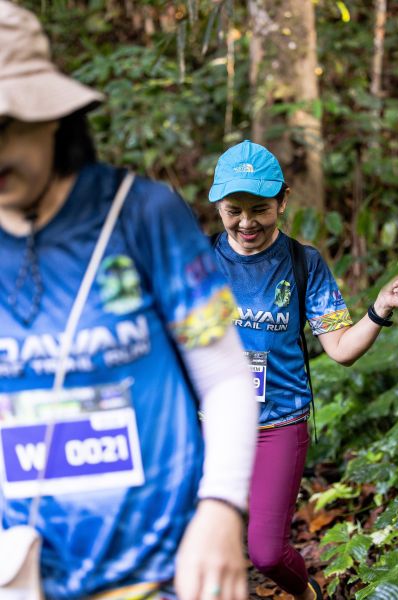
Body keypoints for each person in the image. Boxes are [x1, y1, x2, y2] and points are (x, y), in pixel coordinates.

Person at [0, 3, 258, 599]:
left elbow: (224, 376)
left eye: (6, 123)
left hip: (163, 568)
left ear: (52, 116)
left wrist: (222, 508)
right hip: (26, 575)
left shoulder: (141, 215)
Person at [208, 139, 398, 600]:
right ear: (218, 206)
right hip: (209, 425)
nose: (246, 222)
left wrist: (379, 308)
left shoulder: (303, 263)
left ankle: (310, 594)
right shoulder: (196, 262)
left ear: (283, 201)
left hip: (279, 422)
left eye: (259, 209)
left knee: (268, 554)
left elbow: (341, 349)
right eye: (234, 211)